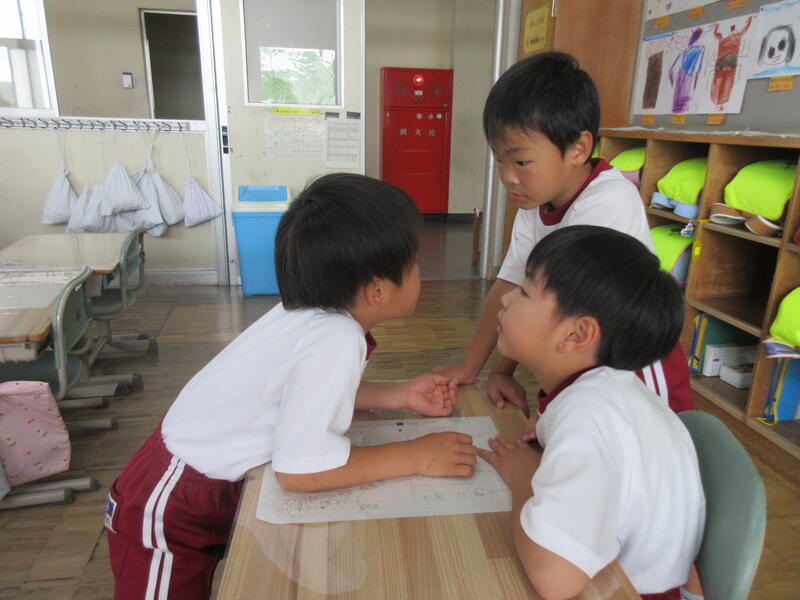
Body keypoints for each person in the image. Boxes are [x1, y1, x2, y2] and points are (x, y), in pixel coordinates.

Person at [104, 173, 478, 600]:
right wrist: (417, 455)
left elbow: (304, 395)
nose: (420, 271)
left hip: (189, 482)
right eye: (414, 263)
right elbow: (301, 472)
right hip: (171, 504)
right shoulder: (337, 337)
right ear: (377, 289)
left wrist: (400, 394)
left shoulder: (311, 313)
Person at [434, 51, 692, 417]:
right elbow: (511, 286)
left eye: (521, 161)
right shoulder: (536, 201)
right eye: (500, 160)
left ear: (578, 149)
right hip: (575, 361)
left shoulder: (608, 202)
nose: (508, 176)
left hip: (631, 371)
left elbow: (556, 307)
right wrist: (480, 369)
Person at [477, 225, 705, 600]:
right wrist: (548, 430)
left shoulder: (587, 415)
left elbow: (555, 581)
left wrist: (522, 477)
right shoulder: (609, 389)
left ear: (576, 335)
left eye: (524, 292)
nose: (505, 299)